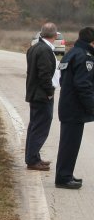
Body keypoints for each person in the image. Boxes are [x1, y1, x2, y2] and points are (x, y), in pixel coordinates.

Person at [54, 26, 94, 189]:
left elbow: (63, 81)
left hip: (68, 104)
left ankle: (66, 174)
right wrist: (92, 107)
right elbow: (83, 85)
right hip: (75, 108)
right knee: (70, 144)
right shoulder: (85, 58)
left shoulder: (72, 53)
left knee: (69, 144)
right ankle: (63, 177)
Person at [24, 22, 58, 171]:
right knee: (40, 128)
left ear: (41, 33)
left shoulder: (34, 48)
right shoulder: (45, 50)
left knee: (35, 126)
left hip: (34, 93)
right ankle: (32, 160)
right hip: (41, 95)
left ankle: (33, 157)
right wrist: (50, 92)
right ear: (55, 35)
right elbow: (44, 75)